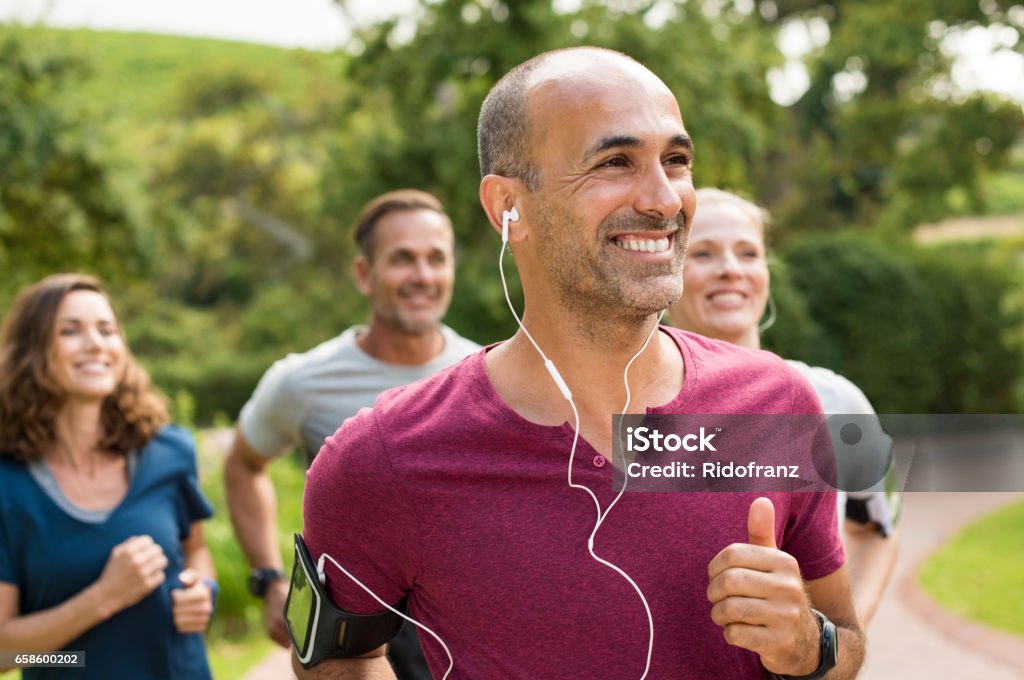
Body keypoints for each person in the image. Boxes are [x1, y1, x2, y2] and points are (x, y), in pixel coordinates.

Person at [296, 47, 865, 679]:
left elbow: (849, 642)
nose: (663, 199)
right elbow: (334, 662)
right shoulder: (383, 457)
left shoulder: (779, 405)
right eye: (615, 162)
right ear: (506, 208)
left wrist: (810, 647)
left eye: (675, 161)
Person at [224, 189, 479, 679]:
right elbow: (243, 465)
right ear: (365, 274)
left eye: (436, 259)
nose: (423, 276)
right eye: (403, 259)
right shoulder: (302, 382)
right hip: (352, 645)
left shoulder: (482, 374)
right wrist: (269, 579)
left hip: (457, 643)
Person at [669, 187, 900, 624]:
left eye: (748, 253)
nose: (730, 270)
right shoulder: (636, 416)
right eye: (702, 254)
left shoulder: (836, 401)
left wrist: (833, 651)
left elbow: (877, 531)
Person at [0, 274, 215, 679]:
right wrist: (102, 598)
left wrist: (202, 590)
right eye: (70, 331)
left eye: (106, 329)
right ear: (30, 351)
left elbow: (196, 552)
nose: (96, 344)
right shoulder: (8, 485)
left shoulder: (170, 452)